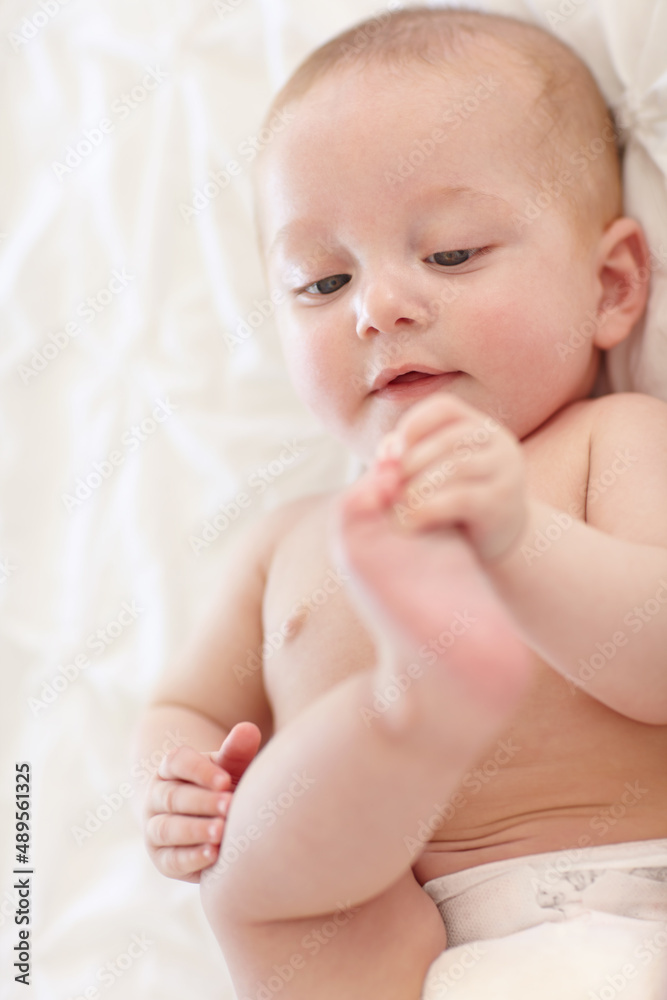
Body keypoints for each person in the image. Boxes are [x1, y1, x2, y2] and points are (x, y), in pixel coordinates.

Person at [135, 7, 667, 998]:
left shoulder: (611, 439)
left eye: (452, 254)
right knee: (244, 878)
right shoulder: (285, 543)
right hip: (399, 965)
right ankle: (414, 711)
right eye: (323, 280)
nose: (377, 306)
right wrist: (178, 773)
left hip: (644, 913)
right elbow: (189, 703)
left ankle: (421, 702)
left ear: (611, 286)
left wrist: (515, 540)